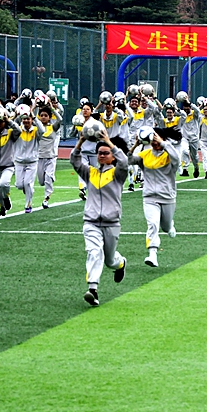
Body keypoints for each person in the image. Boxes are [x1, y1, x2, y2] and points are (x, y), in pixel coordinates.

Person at [70, 131, 128, 307]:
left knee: (110, 261)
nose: (102, 156)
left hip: (112, 223)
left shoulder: (118, 174)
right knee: (94, 252)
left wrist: (109, 142)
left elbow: (124, 162)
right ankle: (93, 289)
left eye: (105, 153)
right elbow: (75, 161)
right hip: (91, 222)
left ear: (112, 156)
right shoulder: (90, 172)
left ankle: (121, 263)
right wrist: (80, 141)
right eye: (99, 153)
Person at [128, 127, 179, 267]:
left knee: (165, 227)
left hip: (167, 196)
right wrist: (135, 145)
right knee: (153, 224)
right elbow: (128, 160)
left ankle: (170, 225)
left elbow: (177, 158)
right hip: (149, 197)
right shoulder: (145, 154)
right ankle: (152, 254)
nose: (154, 142)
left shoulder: (169, 154)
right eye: (152, 140)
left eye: (156, 139)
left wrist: (163, 143)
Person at [14, 104, 45, 213]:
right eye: (24, 119)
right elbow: (12, 126)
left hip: (32, 162)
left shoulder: (36, 131)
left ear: (32, 120)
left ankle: (28, 204)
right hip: (19, 161)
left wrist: (34, 116)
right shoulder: (18, 130)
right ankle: (28, 190)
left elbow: (42, 130)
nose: (26, 121)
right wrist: (17, 115)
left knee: (28, 183)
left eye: (28, 119)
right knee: (19, 185)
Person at [36, 104, 62, 208]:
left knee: (48, 178)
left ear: (50, 117)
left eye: (46, 115)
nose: (43, 117)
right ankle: (50, 178)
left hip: (51, 157)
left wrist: (52, 108)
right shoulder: (37, 128)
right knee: (41, 181)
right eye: (41, 115)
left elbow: (60, 120)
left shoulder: (53, 127)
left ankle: (46, 198)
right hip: (39, 157)